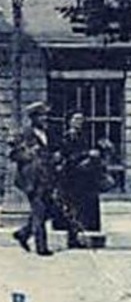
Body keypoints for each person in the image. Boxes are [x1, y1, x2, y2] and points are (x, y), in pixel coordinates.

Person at [8, 101, 55, 256]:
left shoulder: (47, 133)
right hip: (31, 179)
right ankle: (42, 247)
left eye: (46, 116)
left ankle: (23, 233)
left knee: (48, 211)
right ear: (33, 117)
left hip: (46, 178)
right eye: (42, 116)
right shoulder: (24, 134)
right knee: (40, 211)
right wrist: (27, 155)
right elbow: (13, 155)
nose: (45, 119)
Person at [56, 112, 104, 248]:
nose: (79, 122)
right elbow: (66, 156)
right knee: (73, 209)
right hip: (71, 178)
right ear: (69, 121)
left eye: (81, 119)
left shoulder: (86, 136)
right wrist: (86, 154)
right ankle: (73, 238)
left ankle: (88, 236)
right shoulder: (66, 137)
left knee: (87, 208)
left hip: (86, 178)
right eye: (76, 119)